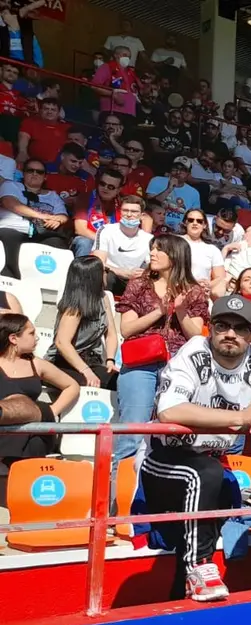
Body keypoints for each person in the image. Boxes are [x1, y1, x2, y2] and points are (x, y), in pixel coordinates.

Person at [144, 294, 251, 601]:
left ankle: (184, 595)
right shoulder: (193, 351)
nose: (231, 334)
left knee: (213, 495)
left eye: (241, 329)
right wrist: (241, 416)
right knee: (207, 475)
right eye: (223, 325)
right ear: (210, 327)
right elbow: (170, 412)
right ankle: (197, 566)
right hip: (165, 458)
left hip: (211, 459)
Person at [114, 234, 209, 474]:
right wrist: (159, 311)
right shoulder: (139, 284)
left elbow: (196, 336)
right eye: (152, 248)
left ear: (175, 255)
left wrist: (180, 311)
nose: (152, 253)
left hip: (177, 368)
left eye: (159, 249)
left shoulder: (194, 291)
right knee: (132, 434)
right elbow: (126, 329)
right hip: (140, 364)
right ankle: (118, 500)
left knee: (170, 436)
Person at [0, 313, 78, 468]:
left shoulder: (37, 364)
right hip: (6, 427)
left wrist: (51, 411)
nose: (36, 338)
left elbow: (72, 386)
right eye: (31, 333)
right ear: (13, 338)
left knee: (35, 439)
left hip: (34, 428)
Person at [47, 256, 118, 388]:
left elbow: (111, 334)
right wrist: (86, 371)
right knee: (88, 383)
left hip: (92, 360)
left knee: (118, 380)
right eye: (104, 270)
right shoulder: (74, 306)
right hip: (64, 362)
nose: (106, 274)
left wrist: (110, 360)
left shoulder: (103, 298)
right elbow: (62, 342)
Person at [0, 159, 69, 277]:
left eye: (39, 172)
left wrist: (57, 220)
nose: (34, 174)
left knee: (57, 242)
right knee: (8, 235)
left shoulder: (52, 196)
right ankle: (11, 277)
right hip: (13, 229)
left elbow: (63, 215)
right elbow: (9, 203)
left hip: (42, 233)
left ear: (45, 177)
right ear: (23, 173)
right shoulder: (11, 185)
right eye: (30, 170)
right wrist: (44, 216)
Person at [145, 160, 200, 232]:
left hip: (178, 230)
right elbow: (149, 205)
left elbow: (195, 216)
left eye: (183, 170)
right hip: (155, 227)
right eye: (175, 168)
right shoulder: (156, 180)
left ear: (188, 174)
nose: (178, 172)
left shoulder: (194, 192)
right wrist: (169, 189)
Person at [179, 208, 226, 290]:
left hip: (201, 293)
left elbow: (220, 277)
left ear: (205, 225)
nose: (195, 223)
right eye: (191, 220)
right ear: (185, 223)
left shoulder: (212, 249)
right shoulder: (173, 241)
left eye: (199, 221)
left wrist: (206, 285)